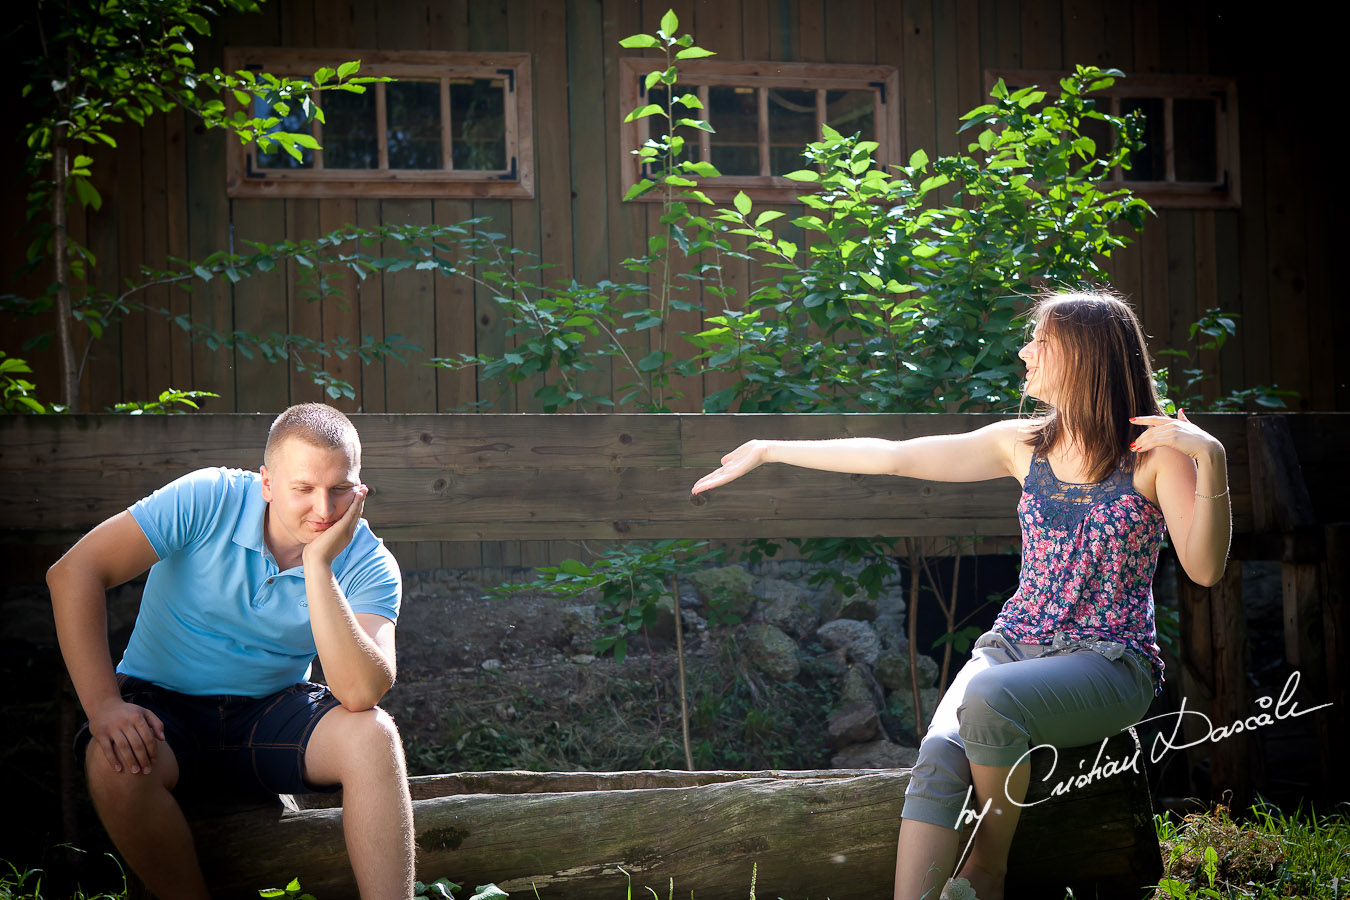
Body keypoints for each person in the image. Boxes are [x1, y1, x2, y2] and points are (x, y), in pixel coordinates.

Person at [690, 290, 1231, 900]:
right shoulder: (1023, 443)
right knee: (939, 758)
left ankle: (985, 870)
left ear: (1085, 356)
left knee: (988, 697)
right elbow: (894, 458)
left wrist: (1210, 459)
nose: (1024, 351)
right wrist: (769, 450)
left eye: (1041, 341)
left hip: (1110, 662)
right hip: (1011, 647)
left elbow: (1205, 569)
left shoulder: (1158, 452)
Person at [48, 403, 414, 899]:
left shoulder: (369, 561)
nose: (324, 510)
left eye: (340, 489)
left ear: (361, 490)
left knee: (374, 736)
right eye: (303, 489)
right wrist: (104, 704)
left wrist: (318, 567)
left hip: (270, 710)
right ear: (266, 483)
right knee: (113, 765)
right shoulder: (208, 498)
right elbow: (73, 573)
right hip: (162, 706)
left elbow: (359, 692)